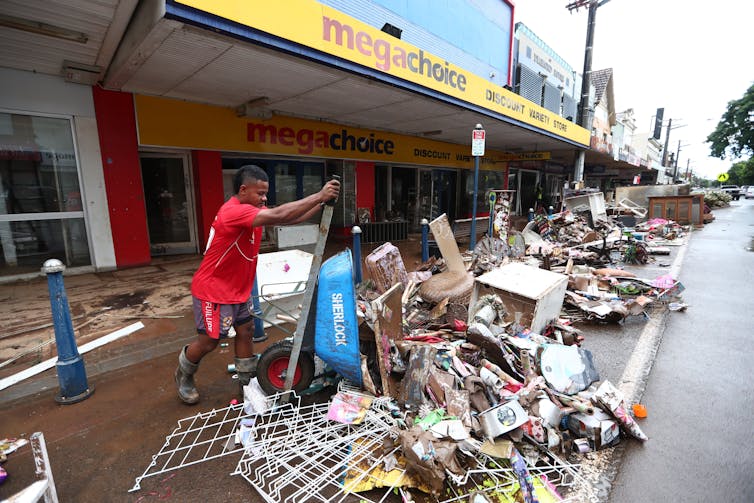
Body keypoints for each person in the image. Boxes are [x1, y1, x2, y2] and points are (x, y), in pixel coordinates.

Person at [175, 165, 340, 404]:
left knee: (246, 330)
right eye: (260, 194)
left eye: (266, 194)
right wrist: (319, 195)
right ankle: (184, 373)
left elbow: (290, 217)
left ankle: (245, 383)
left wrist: (321, 204)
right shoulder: (233, 212)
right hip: (213, 290)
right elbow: (280, 214)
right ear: (243, 190)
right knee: (209, 341)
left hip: (238, 289)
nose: (264, 199)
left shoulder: (254, 210)